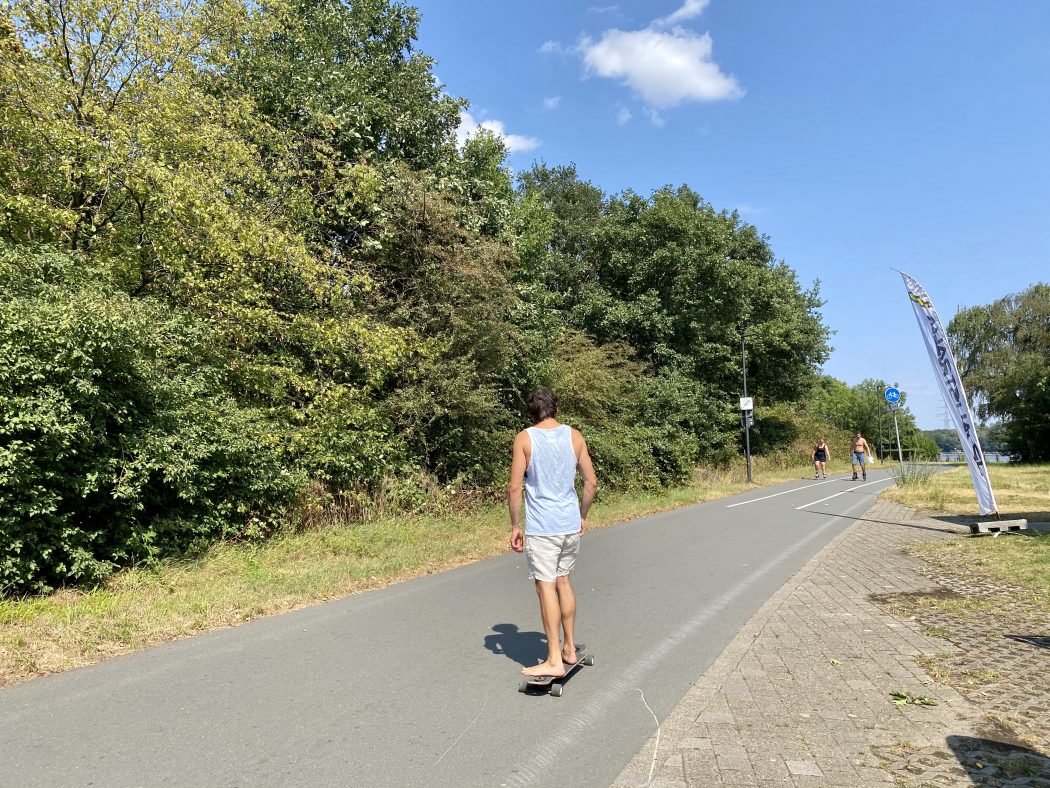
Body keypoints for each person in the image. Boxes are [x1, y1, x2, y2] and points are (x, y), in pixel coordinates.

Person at [508, 388, 597, 678]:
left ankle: (554, 660)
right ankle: (569, 648)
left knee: (545, 585)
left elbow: (514, 488)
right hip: (569, 524)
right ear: (555, 407)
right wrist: (582, 515)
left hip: (543, 527)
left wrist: (515, 525)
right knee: (563, 581)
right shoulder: (575, 436)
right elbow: (591, 483)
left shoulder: (524, 439)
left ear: (531, 410)